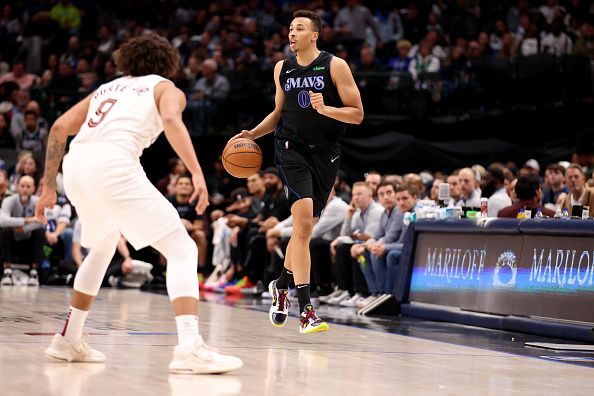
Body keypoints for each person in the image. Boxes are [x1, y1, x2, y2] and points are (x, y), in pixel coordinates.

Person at [35, 33, 242, 374]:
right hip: (113, 165)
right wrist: (197, 172)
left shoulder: (106, 89)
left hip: (76, 166)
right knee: (182, 249)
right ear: (169, 64)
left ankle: (68, 339)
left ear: (126, 61)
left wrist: (48, 186)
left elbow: (58, 127)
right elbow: (173, 121)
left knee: (102, 247)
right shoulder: (166, 88)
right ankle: (190, 348)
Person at [228, 10, 363, 334]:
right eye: (290, 29)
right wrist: (251, 135)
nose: (292, 34)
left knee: (304, 232)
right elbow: (277, 113)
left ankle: (281, 284)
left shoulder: (334, 65)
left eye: (299, 29)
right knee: (303, 223)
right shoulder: (282, 68)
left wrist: (326, 108)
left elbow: (357, 114)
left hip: (326, 153)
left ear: (314, 35)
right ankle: (305, 311)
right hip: (290, 150)